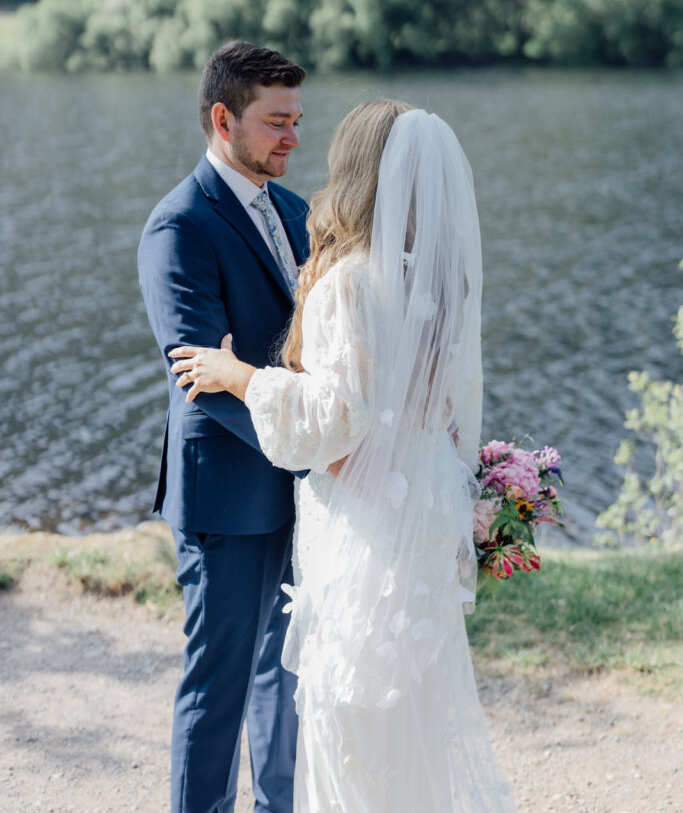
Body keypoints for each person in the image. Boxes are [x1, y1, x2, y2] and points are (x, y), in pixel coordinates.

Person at [169, 101, 519, 812]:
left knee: (347, 729)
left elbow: (334, 423)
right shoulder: (438, 284)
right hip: (417, 519)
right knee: (407, 719)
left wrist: (240, 376)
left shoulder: (349, 284)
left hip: (361, 527)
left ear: (354, 171)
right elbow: (433, 416)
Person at [137, 41, 309, 813]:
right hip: (229, 496)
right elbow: (201, 379)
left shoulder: (299, 212)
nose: (292, 139)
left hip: (306, 483)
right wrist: (307, 445)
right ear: (221, 118)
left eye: (297, 120)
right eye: (276, 122)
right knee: (219, 683)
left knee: (290, 668)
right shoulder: (178, 226)